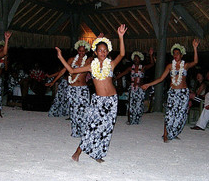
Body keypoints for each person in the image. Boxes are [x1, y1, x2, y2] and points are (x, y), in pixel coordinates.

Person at [56, 24, 127, 162]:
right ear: (95, 52)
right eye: (100, 50)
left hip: (112, 100)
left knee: (106, 128)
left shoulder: (111, 64)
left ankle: (98, 153)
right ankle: (78, 152)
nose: (103, 53)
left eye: (105, 51)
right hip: (98, 100)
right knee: (92, 126)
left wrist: (121, 36)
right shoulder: (90, 66)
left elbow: (122, 54)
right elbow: (71, 71)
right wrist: (60, 57)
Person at [142, 41, 200, 142]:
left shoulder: (185, 65)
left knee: (181, 114)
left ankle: (173, 132)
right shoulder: (169, 66)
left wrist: (195, 48)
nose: (175, 55)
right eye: (174, 53)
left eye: (177, 53)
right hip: (173, 92)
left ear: (181, 55)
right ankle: (165, 134)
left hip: (183, 93)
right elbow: (160, 78)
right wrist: (149, 84)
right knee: (169, 113)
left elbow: (195, 62)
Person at [47, 40, 92, 137]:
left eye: (83, 51)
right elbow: (63, 71)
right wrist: (53, 81)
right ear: (77, 50)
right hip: (72, 88)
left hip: (83, 89)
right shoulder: (72, 60)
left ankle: (84, 131)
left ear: (87, 51)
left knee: (84, 110)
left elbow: (96, 55)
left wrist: (97, 41)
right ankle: (75, 131)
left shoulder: (88, 60)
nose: (81, 53)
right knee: (74, 110)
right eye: (79, 51)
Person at [116, 48, 155, 124]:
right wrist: (114, 78)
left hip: (140, 89)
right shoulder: (130, 68)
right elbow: (122, 74)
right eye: (135, 58)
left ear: (140, 59)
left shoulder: (143, 68)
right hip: (132, 88)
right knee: (131, 104)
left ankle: (137, 119)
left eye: (137, 58)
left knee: (139, 104)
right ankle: (130, 119)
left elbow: (152, 64)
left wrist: (151, 55)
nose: (136, 60)